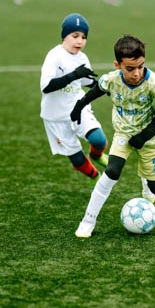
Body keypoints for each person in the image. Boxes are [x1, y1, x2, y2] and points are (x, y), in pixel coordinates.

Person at [70, 34, 155, 238]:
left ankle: (147, 181)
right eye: (130, 68)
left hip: (151, 139)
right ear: (118, 65)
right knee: (112, 172)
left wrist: (143, 137)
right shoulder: (112, 79)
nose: (137, 73)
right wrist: (79, 106)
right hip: (124, 133)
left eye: (141, 66)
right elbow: (98, 89)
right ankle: (88, 221)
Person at [40, 13, 109, 182]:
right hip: (55, 116)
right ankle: (95, 178)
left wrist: (106, 87)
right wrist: (73, 75)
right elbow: (46, 86)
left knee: (99, 140)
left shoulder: (82, 57)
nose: (80, 41)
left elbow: (87, 82)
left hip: (78, 108)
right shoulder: (54, 55)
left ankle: (96, 155)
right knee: (77, 159)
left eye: (84, 37)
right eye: (75, 36)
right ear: (65, 36)